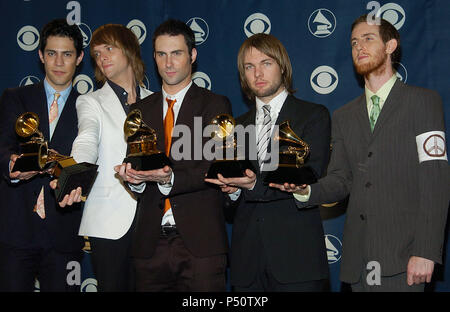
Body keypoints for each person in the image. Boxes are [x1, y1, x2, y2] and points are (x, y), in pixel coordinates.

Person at [274, 15, 449, 292]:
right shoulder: (344, 115)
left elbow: (435, 181)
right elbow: (341, 179)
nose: (359, 47)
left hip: (405, 259)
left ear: (391, 45)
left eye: (368, 38)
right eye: (354, 42)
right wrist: (305, 190)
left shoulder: (423, 102)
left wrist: (426, 250)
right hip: (358, 261)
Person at [205, 33, 331, 291]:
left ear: (282, 66)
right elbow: (227, 202)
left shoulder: (313, 116)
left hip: (297, 261)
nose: (257, 73)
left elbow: (307, 176)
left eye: (266, 63)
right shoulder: (235, 126)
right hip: (246, 262)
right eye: (249, 67)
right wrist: (231, 191)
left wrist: (250, 186)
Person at [114, 19, 232, 291]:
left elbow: (212, 167)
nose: (168, 63)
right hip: (149, 244)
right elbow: (137, 167)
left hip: (200, 244)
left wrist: (168, 179)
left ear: (192, 55)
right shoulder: (140, 109)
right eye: (161, 54)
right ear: (154, 56)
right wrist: (134, 178)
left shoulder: (215, 104)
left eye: (176, 53)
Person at [55, 24, 153, 291]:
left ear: (129, 50)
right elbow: (87, 139)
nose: (102, 57)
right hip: (108, 222)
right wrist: (73, 174)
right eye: (97, 54)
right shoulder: (91, 102)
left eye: (109, 49)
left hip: (152, 220)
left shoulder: (156, 101)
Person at [0, 19, 84, 291]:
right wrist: (10, 166)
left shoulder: (89, 107)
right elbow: (2, 148)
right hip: (16, 230)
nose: (58, 62)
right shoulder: (16, 98)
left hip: (65, 232)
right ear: (40, 56)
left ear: (79, 58)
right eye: (51, 53)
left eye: (67, 54)